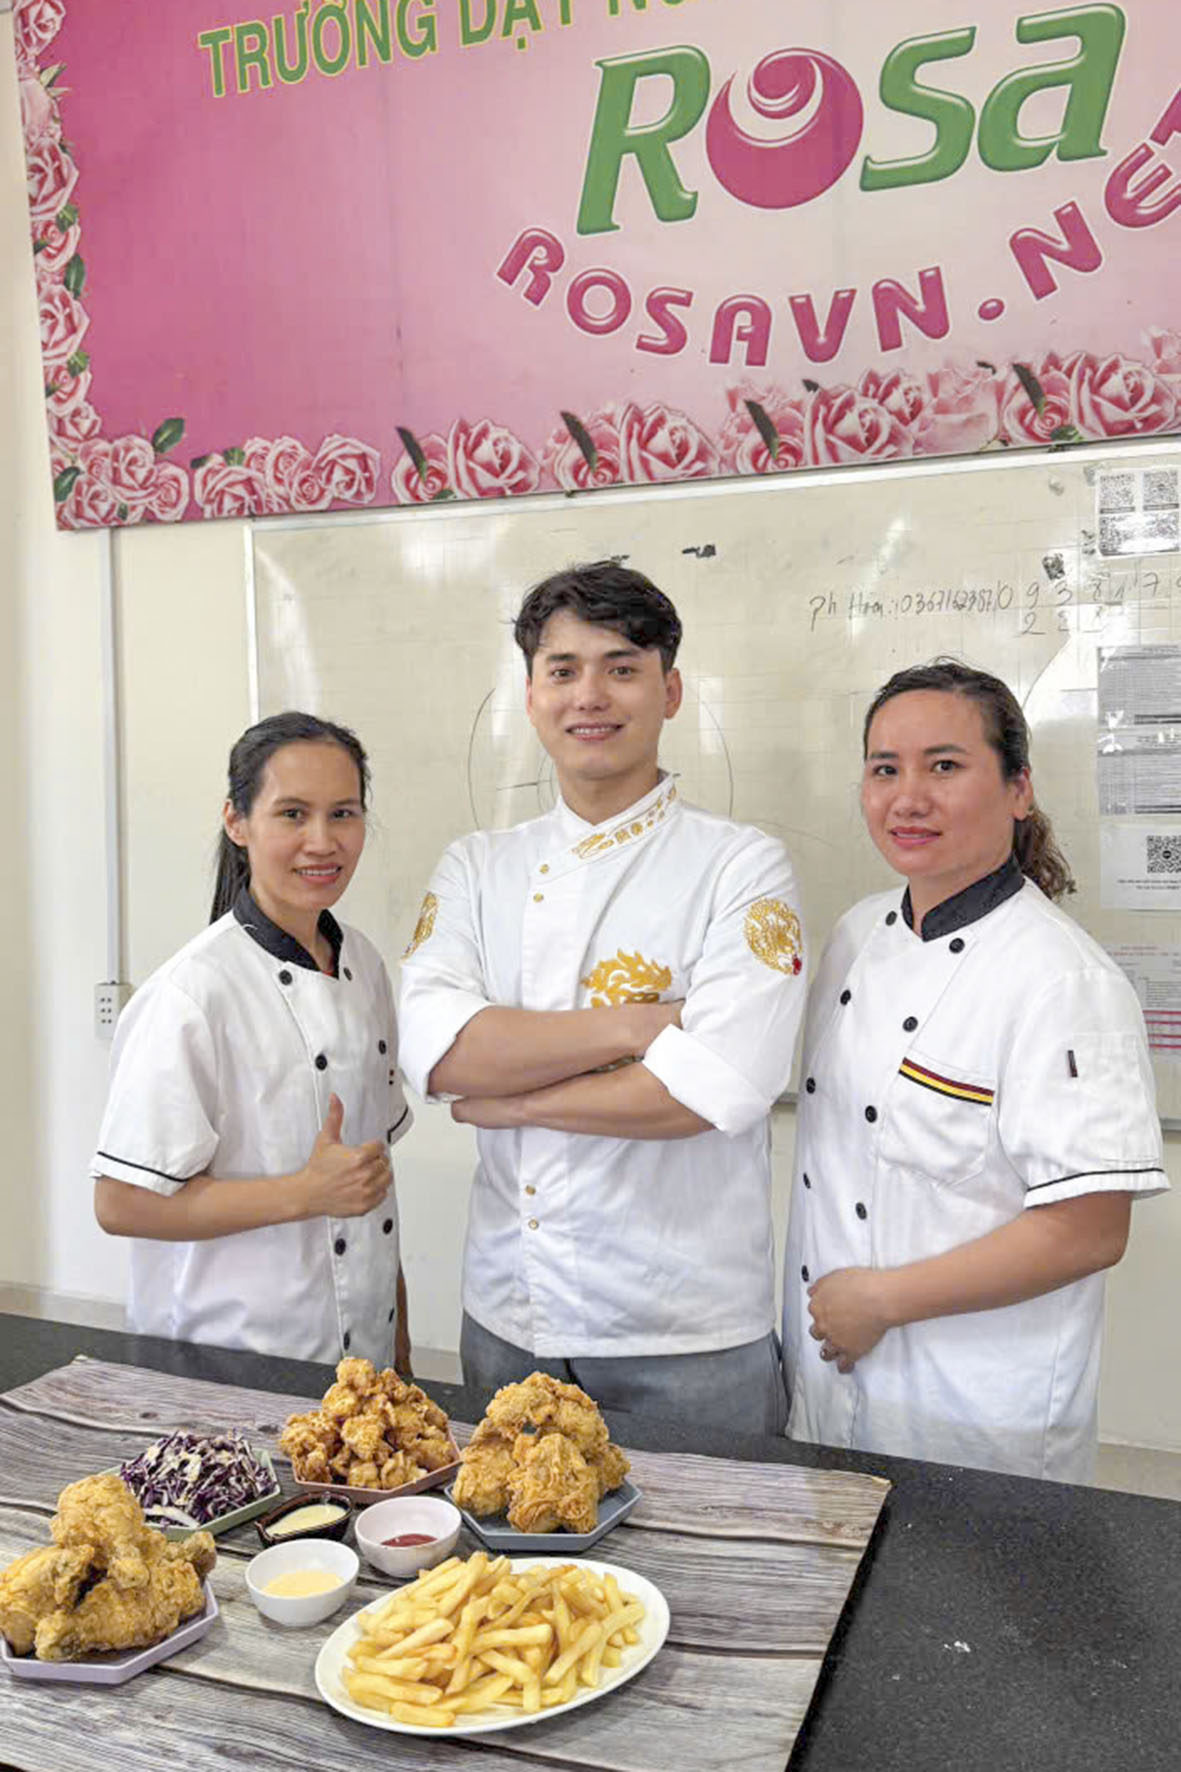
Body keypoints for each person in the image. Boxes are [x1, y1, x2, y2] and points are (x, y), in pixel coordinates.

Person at [398, 561, 806, 1436]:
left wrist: (510, 1101)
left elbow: (715, 1089)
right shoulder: (476, 866)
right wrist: (639, 1026)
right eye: (563, 670)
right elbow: (442, 1053)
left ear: (670, 691)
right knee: (506, 1529)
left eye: (621, 668)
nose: (590, 695)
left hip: (685, 1329)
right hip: (508, 1314)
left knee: (721, 1531)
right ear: (531, 694)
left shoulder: (740, 865)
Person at [783, 659, 1167, 1482]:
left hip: (975, 1410)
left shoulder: (1062, 980)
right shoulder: (855, 936)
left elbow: (1089, 1230)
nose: (907, 798)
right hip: (829, 1384)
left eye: (944, 766)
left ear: (1017, 789)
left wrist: (881, 1300)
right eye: (884, 769)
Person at [92, 711, 413, 1369]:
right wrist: (305, 1193)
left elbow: (368, 1183)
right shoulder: (191, 993)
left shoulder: (364, 965)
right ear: (237, 823)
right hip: (226, 1359)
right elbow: (120, 1203)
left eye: (343, 814)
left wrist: (399, 1357)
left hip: (362, 1361)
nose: (322, 841)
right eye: (292, 814)